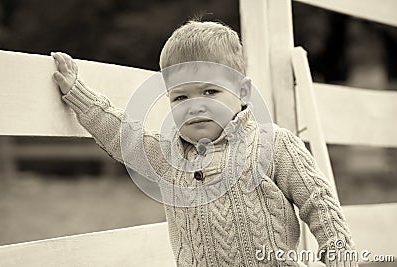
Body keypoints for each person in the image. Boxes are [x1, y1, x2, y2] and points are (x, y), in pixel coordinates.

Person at [51, 20, 357, 266]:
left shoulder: (272, 143)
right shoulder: (167, 157)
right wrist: (78, 93)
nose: (195, 105)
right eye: (181, 97)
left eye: (210, 91)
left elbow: (320, 204)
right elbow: (120, 134)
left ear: (244, 92)